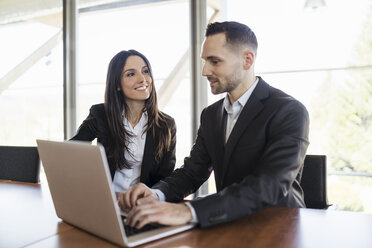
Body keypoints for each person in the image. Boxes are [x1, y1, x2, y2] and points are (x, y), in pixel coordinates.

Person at [118, 21, 310, 228]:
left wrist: (188, 211)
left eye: (215, 62)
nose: (205, 71)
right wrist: (156, 193)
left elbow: (268, 186)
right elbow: (193, 171)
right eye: (205, 61)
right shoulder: (211, 115)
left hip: (277, 226)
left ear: (247, 60)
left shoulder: (289, 111)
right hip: (229, 222)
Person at [71, 50, 176, 192]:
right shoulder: (100, 114)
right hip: (104, 200)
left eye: (145, 71)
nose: (143, 79)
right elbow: (72, 151)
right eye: (131, 74)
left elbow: (166, 178)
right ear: (117, 84)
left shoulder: (166, 125)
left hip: (141, 205)